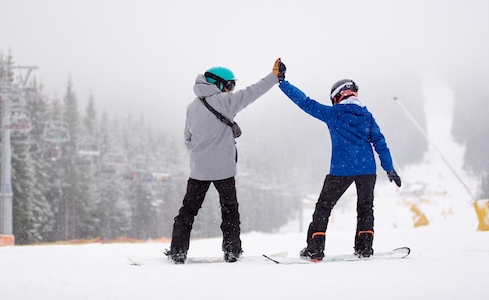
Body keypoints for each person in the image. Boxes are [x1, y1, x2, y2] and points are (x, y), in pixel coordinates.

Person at [165, 59, 283, 264]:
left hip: (198, 171)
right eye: (230, 85)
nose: (231, 90)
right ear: (218, 84)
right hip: (224, 171)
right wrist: (274, 77)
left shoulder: (191, 107)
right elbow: (253, 91)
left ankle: (178, 252)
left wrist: (201, 157)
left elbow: (187, 138)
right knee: (229, 211)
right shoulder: (226, 102)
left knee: (188, 212)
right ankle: (232, 252)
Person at [278, 68, 401, 260]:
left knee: (324, 207)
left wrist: (283, 83)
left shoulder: (333, 113)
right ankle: (364, 248)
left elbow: (305, 102)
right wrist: (389, 168)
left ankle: (315, 249)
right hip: (367, 169)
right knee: (366, 207)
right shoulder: (367, 115)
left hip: (341, 169)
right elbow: (380, 142)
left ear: (337, 97)